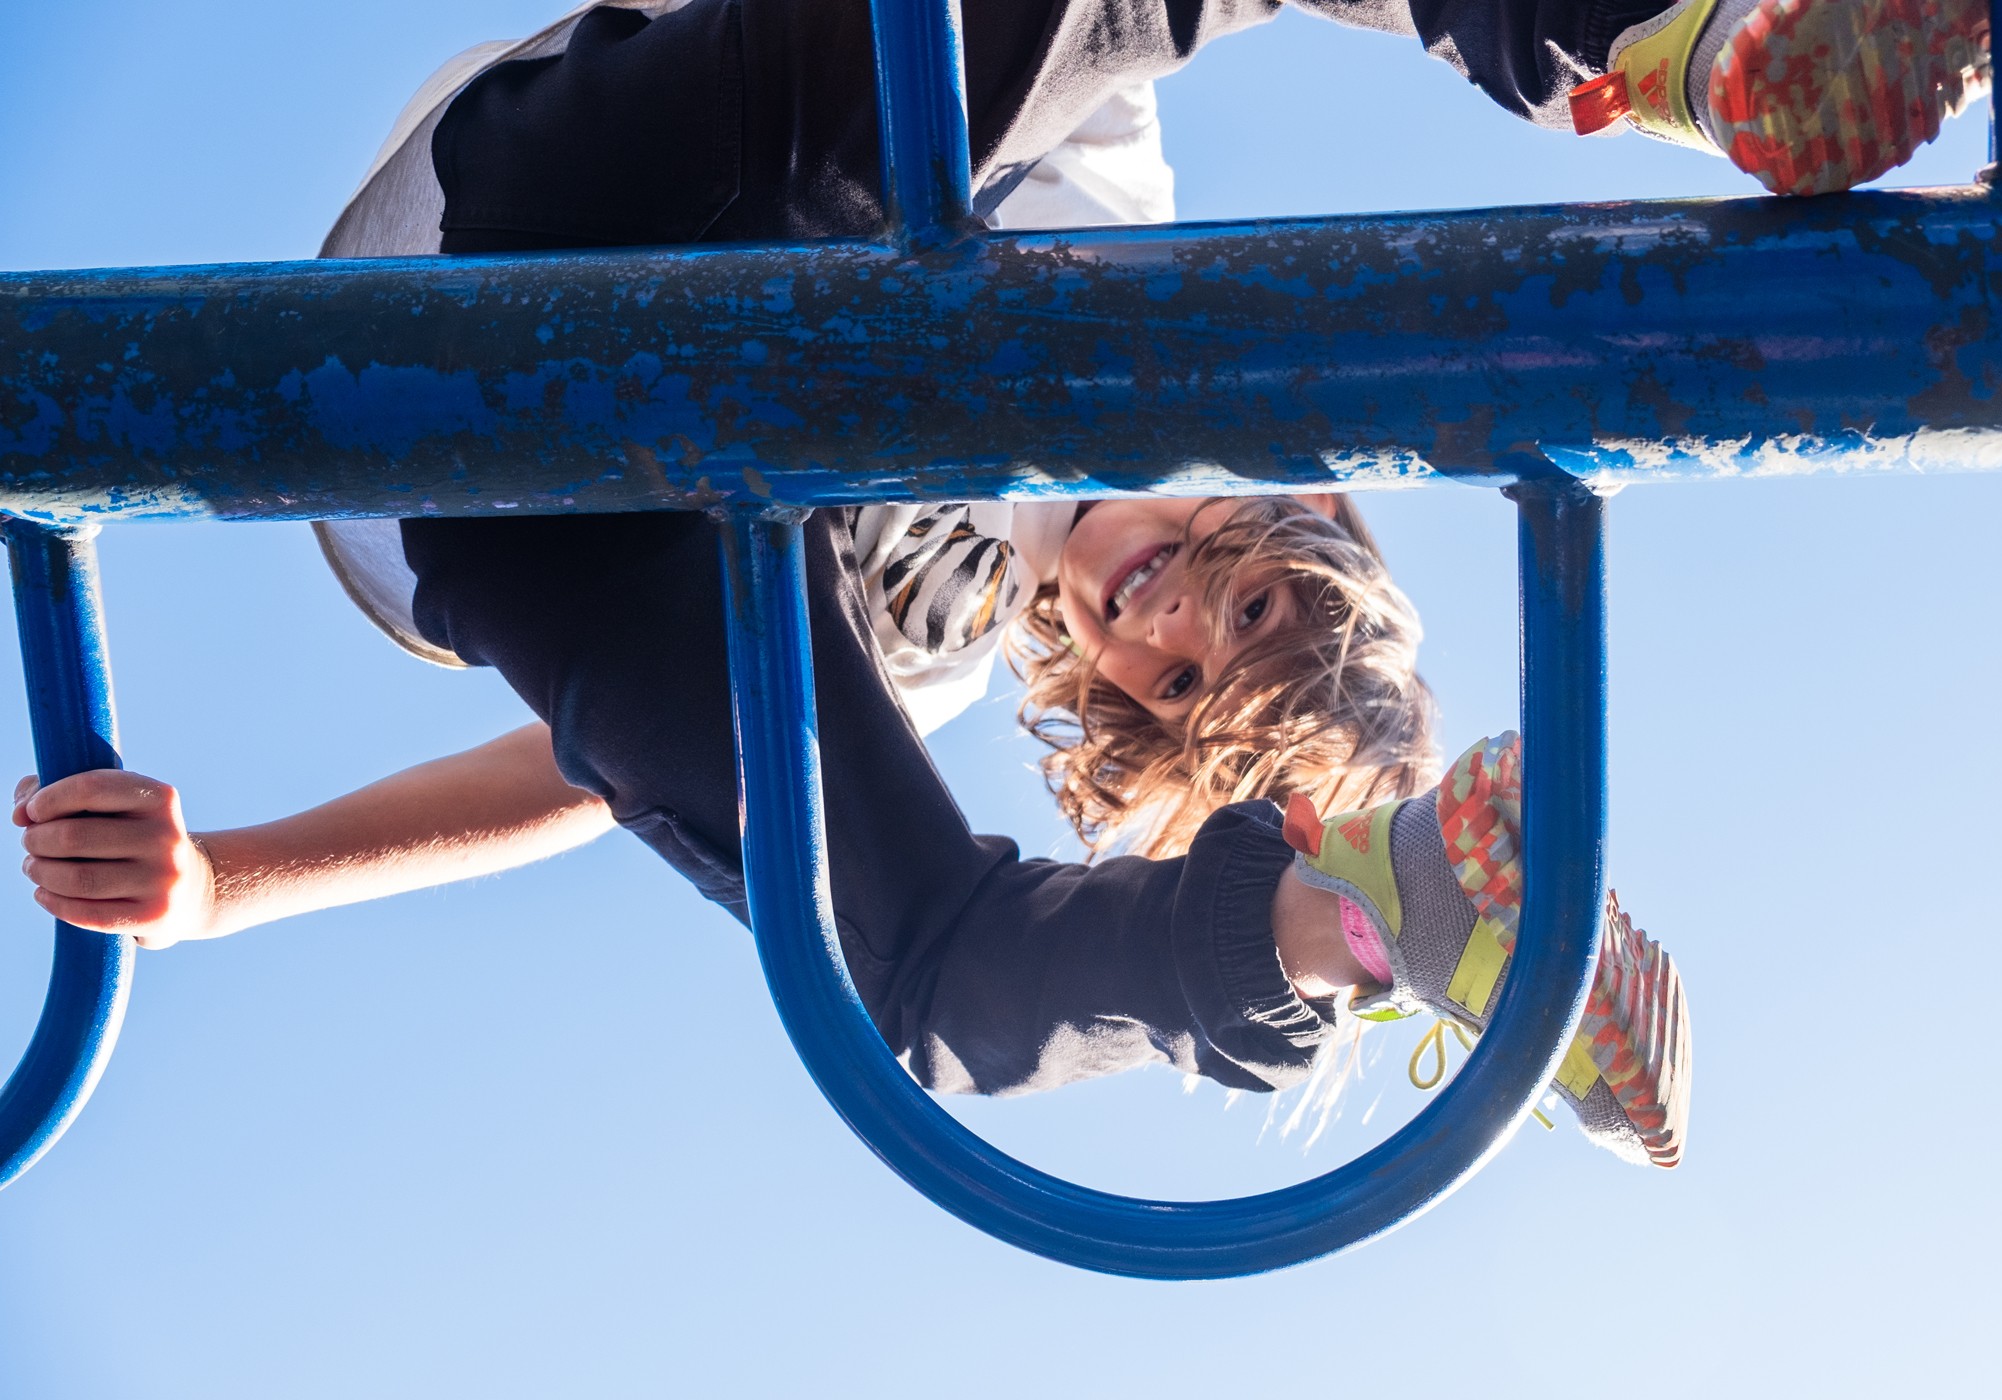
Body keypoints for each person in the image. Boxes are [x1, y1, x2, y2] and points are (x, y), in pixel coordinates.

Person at [9, 0, 1715, 1173]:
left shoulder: (933, 645)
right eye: (1241, 596)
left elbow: (584, 777)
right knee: (937, 148)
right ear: (1290, 496)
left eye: (1179, 689)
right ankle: (1665, 30)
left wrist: (229, 887)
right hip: (567, 223)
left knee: (918, 964)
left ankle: (1352, 918)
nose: (1166, 622)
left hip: (513, 523)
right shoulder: (1118, 225)